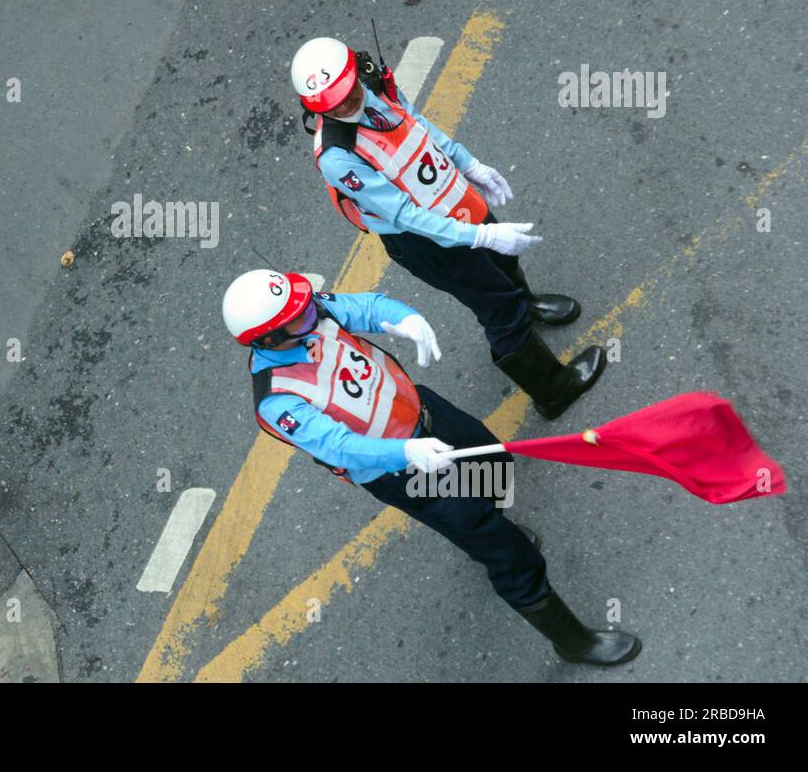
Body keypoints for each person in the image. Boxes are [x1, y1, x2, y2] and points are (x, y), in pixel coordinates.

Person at [223, 267, 641, 665]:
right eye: (300, 317)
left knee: (493, 461)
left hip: (427, 415)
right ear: (269, 338)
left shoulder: (309, 313)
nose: (314, 313)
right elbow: (342, 448)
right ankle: (572, 640)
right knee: (508, 554)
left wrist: (405, 318)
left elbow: (365, 307)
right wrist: (404, 453)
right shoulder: (279, 402)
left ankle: (488, 524)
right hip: (403, 471)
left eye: (308, 306)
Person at [290, 36, 606, 420]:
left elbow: (418, 125)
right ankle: (553, 390)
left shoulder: (373, 82)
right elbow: (405, 216)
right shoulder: (337, 157)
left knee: (503, 264)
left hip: (452, 196)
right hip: (423, 240)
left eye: (348, 92)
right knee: (496, 306)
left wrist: (470, 165)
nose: (346, 104)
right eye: (333, 104)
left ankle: (528, 303)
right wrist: (480, 235)